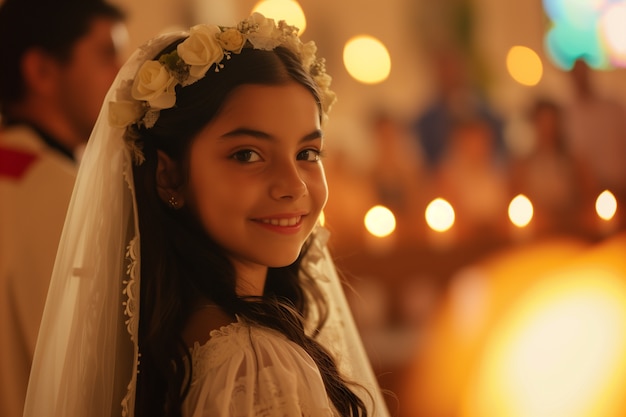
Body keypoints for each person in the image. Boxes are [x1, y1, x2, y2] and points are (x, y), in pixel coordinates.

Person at [23, 13, 389, 417]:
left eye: (307, 154)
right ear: (169, 176)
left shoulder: (165, 346)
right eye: (247, 154)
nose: (294, 186)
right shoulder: (260, 368)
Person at [0, 1, 125, 416]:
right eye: (107, 53)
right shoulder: (55, 190)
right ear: (41, 72)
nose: (123, 73)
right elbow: (85, 376)